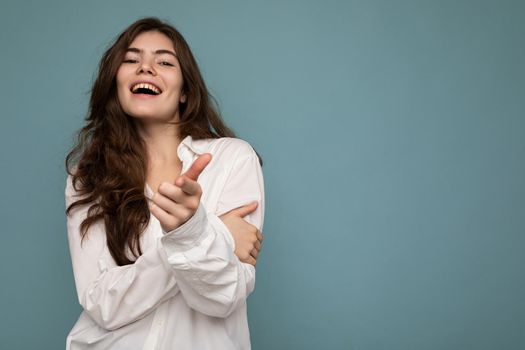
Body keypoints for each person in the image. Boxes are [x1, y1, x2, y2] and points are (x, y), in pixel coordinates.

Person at [64, 17, 265, 350]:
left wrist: (192, 230)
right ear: (116, 83)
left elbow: (223, 297)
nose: (146, 68)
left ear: (185, 91)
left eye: (164, 62)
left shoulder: (231, 159)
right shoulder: (86, 178)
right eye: (131, 60)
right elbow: (101, 304)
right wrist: (208, 233)